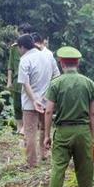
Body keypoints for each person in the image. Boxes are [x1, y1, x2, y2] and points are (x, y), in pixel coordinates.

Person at [43, 47, 94, 187]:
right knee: (86, 169)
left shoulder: (56, 83)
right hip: (83, 131)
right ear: (78, 63)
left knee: (58, 169)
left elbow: (48, 111)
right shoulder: (88, 83)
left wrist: (46, 135)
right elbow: (93, 113)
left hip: (63, 131)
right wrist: (92, 137)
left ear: (61, 63)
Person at [17, 34, 55, 167]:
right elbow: (56, 76)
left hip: (29, 102)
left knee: (30, 132)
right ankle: (44, 154)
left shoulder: (25, 60)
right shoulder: (47, 56)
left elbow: (25, 83)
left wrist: (34, 100)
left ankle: (32, 162)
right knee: (45, 127)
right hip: (46, 100)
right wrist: (47, 96)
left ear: (22, 47)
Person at [7, 23, 34, 135]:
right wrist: (9, 81)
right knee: (17, 104)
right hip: (17, 80)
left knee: (27, 102)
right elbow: (10, 66)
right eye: (21, 33)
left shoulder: (34, 49)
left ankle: (26, 127)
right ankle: (19, 127)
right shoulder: (14, 48)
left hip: (29, 80)